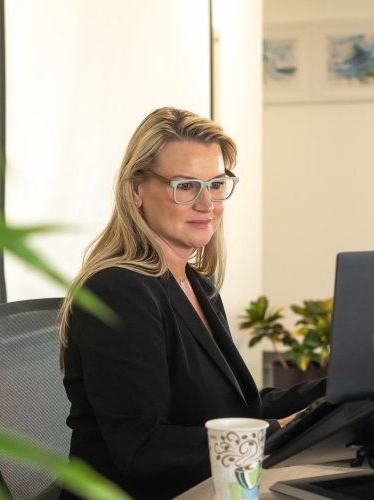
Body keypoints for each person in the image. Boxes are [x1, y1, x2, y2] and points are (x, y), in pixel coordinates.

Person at [59, 107, 324, 499]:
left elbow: (240, 405)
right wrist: (275, 431)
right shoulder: (118, 291)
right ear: (136, 190)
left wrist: (335, 394)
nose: (208, 204)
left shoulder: (197, 284)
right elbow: (142, 450)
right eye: (185, 186)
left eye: (216, 184)